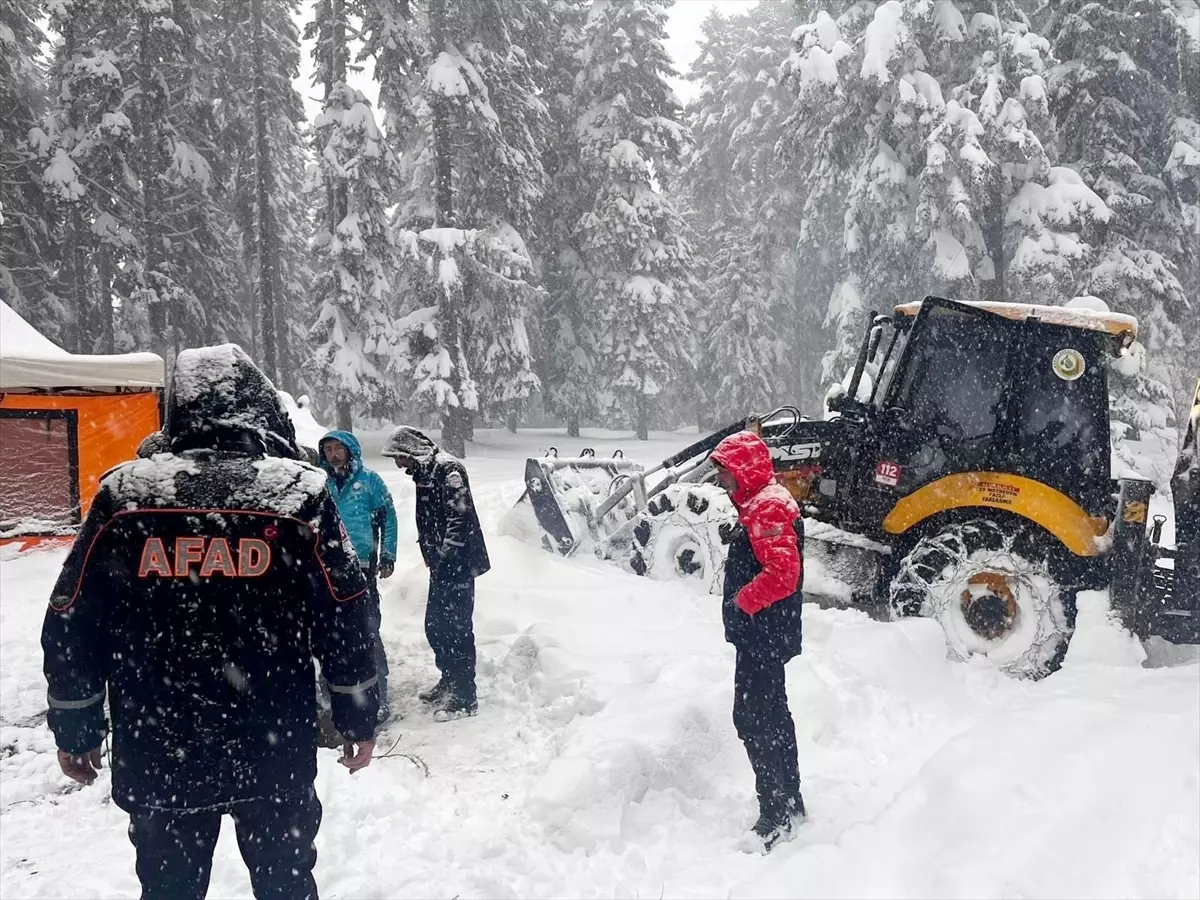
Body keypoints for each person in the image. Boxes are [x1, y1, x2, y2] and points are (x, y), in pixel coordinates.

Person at [42, 344, 379, 900]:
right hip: (272, 751)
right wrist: (357, 715)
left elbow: (72, 618)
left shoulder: (125, 496)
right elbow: (347, 618)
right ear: (258, 408)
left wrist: (76, 727)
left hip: (160, 751)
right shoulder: (298, 495)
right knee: (287, 886)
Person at [710, 430, 805, 854]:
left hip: (762, 635)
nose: (721, 482)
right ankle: (791, 800)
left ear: (744, 470)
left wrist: (742, 602)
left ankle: (775, 815)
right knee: (773, 714)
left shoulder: (766, 507)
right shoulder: (761, 501)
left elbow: (784, 574)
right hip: (767, 634)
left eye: (725, 474)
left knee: (752, 719)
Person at [380, 426, 490, 720]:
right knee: (436, 626)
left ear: (411, 450)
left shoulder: (448, 469)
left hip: (458, 565)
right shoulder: (424, 473)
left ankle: (465, 695)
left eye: (399, 457)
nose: (398, 464)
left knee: (457, 629)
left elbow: (459, 516)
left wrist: (445, 555)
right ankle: (449, 679)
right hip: (441, 567)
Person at [317, 430, 398, 720]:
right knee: (326, 634)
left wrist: (388, 554)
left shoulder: (370, 481)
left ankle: (378, 697)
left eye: (339, 448)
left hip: (361, 567)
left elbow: (389, 517)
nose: (334, 454)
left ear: (351, 450)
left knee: (367, 631)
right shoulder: (319, 482)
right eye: (328, 450)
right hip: (324, 568)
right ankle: (331, 699)